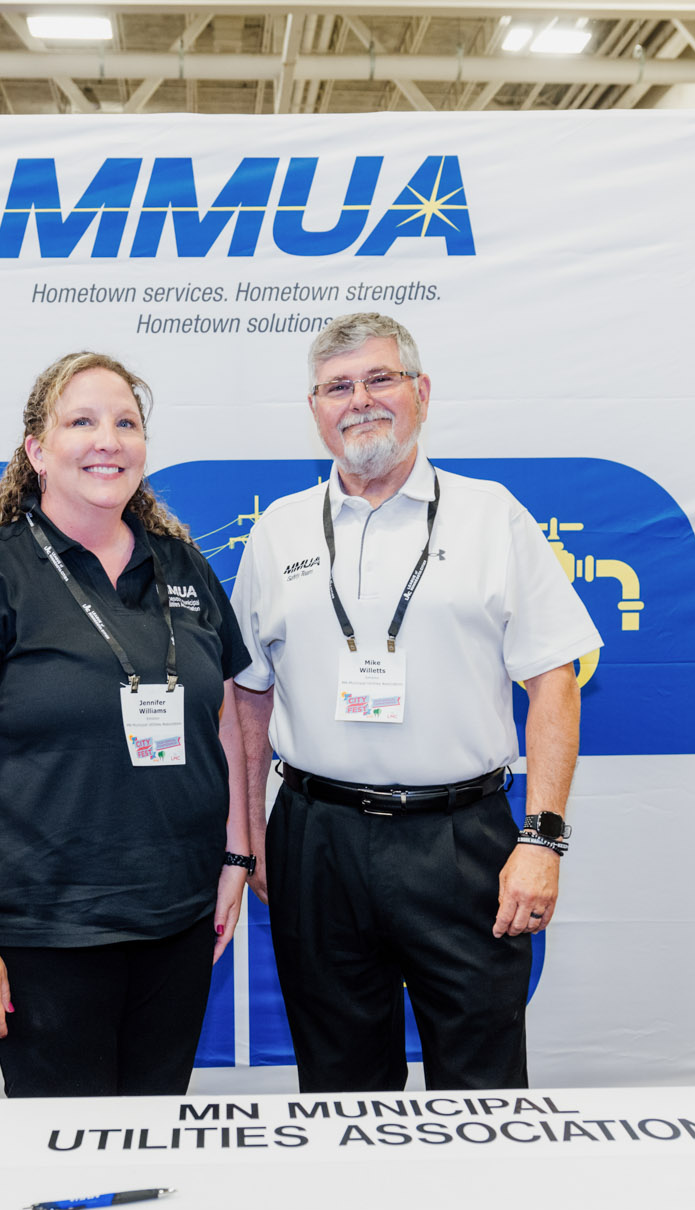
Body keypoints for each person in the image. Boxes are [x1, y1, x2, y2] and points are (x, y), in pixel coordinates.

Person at [231, 313, 602, 1094]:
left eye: (380, 378)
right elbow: (249, 695)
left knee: (482, 1090)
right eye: (337, 387)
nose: (359, 400)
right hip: (316, 840)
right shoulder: (277, 531)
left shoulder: (492, 516)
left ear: (422, 392)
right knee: (339, 1088)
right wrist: (250, 830)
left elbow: (554, 681)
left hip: (461, 843)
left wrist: (542, 839)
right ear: (314, 408)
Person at [0, 352, 253, 1098]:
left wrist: (236, 856)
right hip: (45, 937)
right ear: (37, 450)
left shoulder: (184, 568)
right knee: (64, 1151)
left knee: (154, 1140)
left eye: (126, 422)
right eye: (82, 421)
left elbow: (223, 723)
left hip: (178, 924)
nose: (108, 440)